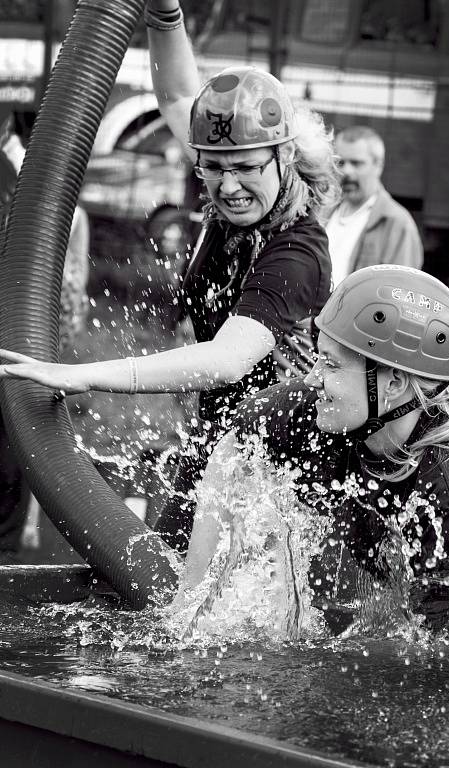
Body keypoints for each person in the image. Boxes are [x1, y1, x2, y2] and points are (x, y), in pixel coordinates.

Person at [0, 3, 337, 552]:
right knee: (155, 593)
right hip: (220, 444)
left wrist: (86, 375)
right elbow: (181, 97)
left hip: (280, 473)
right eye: (213, 167)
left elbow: (227, 359)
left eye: (247, 168)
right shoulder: (234, 190)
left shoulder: (296, 250)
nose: (228, 186)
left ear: (285, 158)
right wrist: (165, 16)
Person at [170, 265, 449, 634]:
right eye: (319, 356)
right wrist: (189, 603)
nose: (312, 377)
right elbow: (235, 448)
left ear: (394, 383)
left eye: (331, 364)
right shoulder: (336, 410)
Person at [0, 114, 90, 561]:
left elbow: (70, 287)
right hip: (26, 348)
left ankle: (12, 548)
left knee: (12, 469)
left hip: (21, 349)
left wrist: (57, 351)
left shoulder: (32, 184)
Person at [324, 126, 424, 287]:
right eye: (341, 162)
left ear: (378, 165)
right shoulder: (324, 210)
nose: (346, 171)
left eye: (356, 163)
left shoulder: (397, 223)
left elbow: (401, 293)